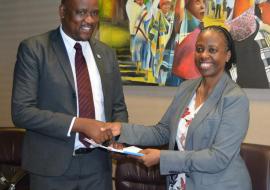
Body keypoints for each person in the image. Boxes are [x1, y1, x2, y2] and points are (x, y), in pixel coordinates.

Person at [106, 26, 252, 190]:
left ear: (227, 55)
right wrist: (121, 130)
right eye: (199, 49)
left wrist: (163, 158)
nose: (204, 55)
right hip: (180, 183)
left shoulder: (235, 98)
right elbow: (163, 131)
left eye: (212, 50)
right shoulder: (186, 88)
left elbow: (219, 157)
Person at [11, 0, 128, 189]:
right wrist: (79, 124)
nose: (89, 20)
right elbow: (21, 112)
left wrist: (118, 137)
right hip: (51, 168)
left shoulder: (107, 54)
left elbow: (118, 107)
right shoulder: (35, 49)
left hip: (98, 167)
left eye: (95, 13)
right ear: (63, 12)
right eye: (81, 13)